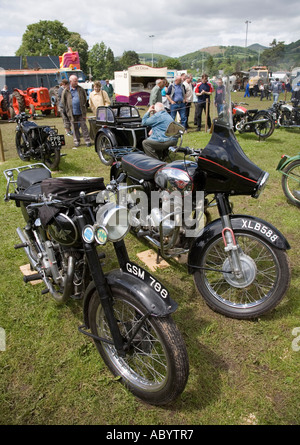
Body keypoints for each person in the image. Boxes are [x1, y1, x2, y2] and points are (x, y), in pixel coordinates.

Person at [61, 74, 91, 149]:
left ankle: (87, 141)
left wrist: (83, 107)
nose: (76, 82)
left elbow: (84, 98)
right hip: (72, 113)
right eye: (75, 81)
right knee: (74, 127)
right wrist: (67, 110)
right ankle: (76, 141)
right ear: (70, 81)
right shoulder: (66, 91)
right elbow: (63, 102)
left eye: (77, 81)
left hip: (81, 112)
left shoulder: (81, 89)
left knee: (84, 126)